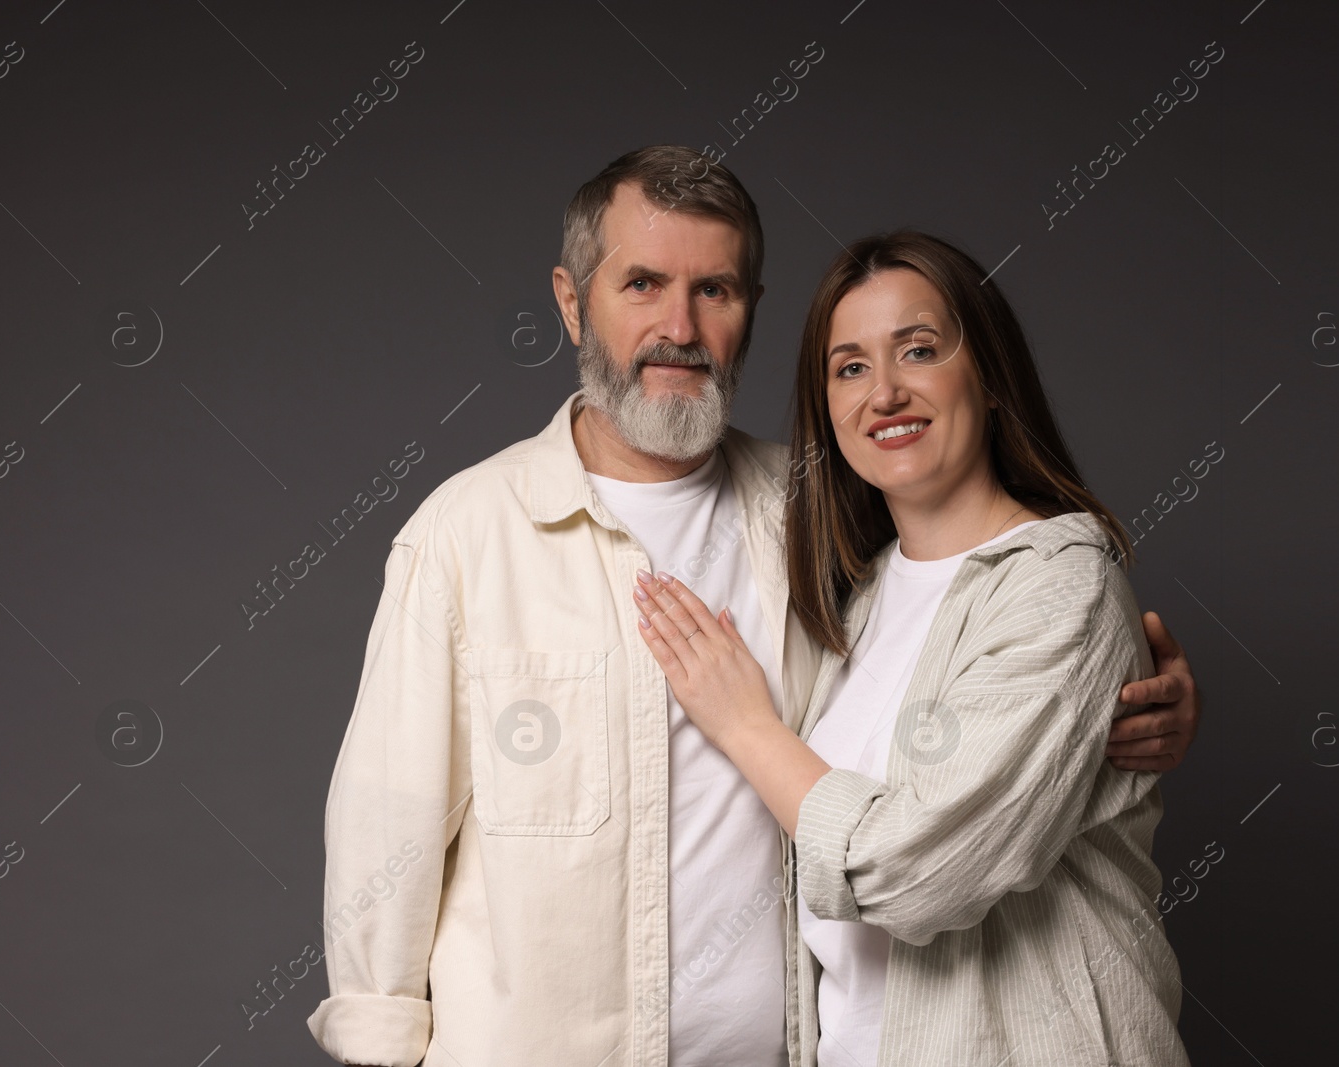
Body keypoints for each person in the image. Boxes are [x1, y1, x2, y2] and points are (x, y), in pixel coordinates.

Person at [306, 147, 1200, 1067]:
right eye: (643, 283)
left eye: (715, 290)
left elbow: (990, 632)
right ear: (574, 302)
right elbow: (390, 819)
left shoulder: (819, 515)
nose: (678, 325)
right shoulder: (466, 534)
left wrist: (1120, 714)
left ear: (753, 312)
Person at [629, 231, 1191, 1065]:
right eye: (849, 367)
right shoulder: (854, 604)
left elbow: (923, 875)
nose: (883, 393)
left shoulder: (1060, 585)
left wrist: (747, 726)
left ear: (991, 377)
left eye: (919, 350)